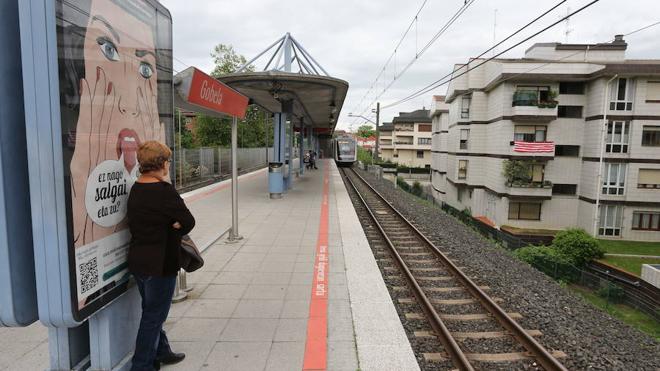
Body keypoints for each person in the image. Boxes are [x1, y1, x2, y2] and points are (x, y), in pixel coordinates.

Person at [127, 141, 195, 371]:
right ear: (163, 164)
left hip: (139, 262)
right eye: (168, 161)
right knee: (153, 316)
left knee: (151, 310)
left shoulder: (136, 188)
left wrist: (172, 223)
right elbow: (187, 222)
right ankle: (141, 365)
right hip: (160, 264)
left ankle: (162, 351)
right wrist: (174, 224)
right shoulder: (164, 191)